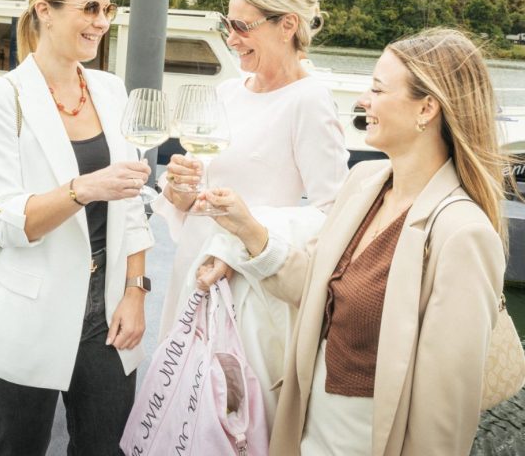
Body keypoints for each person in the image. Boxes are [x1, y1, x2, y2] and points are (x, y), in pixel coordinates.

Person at [197, 27, 509, 456]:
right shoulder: (364, 183)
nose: (364, 101)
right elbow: (317, 289)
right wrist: (245, 230)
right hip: (307, 428)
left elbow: (444, 416)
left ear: (427, 109)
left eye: (378, 90)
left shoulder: (462, 233)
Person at [0, 0, 154, 456]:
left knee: (103, 448)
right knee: (18, 447)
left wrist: (135, 292)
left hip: (108, 313)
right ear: (44, 10)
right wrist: (83, 188)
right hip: (29, 313)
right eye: (90, 8)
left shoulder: (111, 91)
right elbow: (6, 220)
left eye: (108, 9)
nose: (102, 22)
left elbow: (131, 204)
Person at [153, 0, 350, 427]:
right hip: (195, 271)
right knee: (182, 408)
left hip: (250, 286)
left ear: (288, 25)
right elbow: (204, 191)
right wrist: (181, 190)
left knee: (229, 419)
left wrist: (247, 231)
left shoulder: (310, 100)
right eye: (227, 24)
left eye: (242, 26)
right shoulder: (226, 93)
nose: (231, 38)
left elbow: (334, 214)